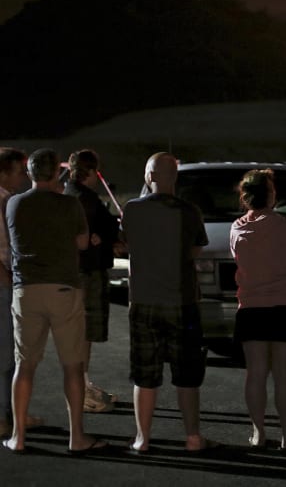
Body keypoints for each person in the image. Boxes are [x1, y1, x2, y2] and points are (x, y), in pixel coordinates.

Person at [2, 148, 107, 454]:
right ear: (55, 173)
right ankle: (77, 437)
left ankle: (18, 436)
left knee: (25, 366)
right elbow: (82, 242)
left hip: (26, 291)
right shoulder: (69, 204)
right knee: (72, 366)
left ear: (31, 173)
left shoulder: (13, 204)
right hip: (64, 288)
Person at [120, 151, 215, 454]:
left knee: (145, 374)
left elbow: (125, 246)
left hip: (143, 301)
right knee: (187, 375)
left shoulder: (132, 210)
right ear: (175, 177)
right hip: (182, 300)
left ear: (149, 176)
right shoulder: (189, 211)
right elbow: (195, 251)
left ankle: (142, 438)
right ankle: (193, 438)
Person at [229, 169, 286, 450]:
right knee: (284, 375)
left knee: (256, 373)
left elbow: (236, 258)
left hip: (251, 307)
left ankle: (258, 432)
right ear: (271, 194)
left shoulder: (237, 227)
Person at [63, 149, 121, 413]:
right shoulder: (83, 198)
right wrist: (100, 234)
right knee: (83, 332)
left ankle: (84, 383)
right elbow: (102, 229)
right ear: (89, 171)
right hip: (86, 272)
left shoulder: (71, 194)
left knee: (82, 332)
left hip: (80, 271)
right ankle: (82, 389)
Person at [1, 148, 45, 439]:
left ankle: (13, 414)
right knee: (5, 354)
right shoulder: (3, 201)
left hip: (7, 282)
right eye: (19, 171)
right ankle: (5, 419)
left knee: (11, 354)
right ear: (3, 173)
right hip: (3, 284)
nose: (24, 176)